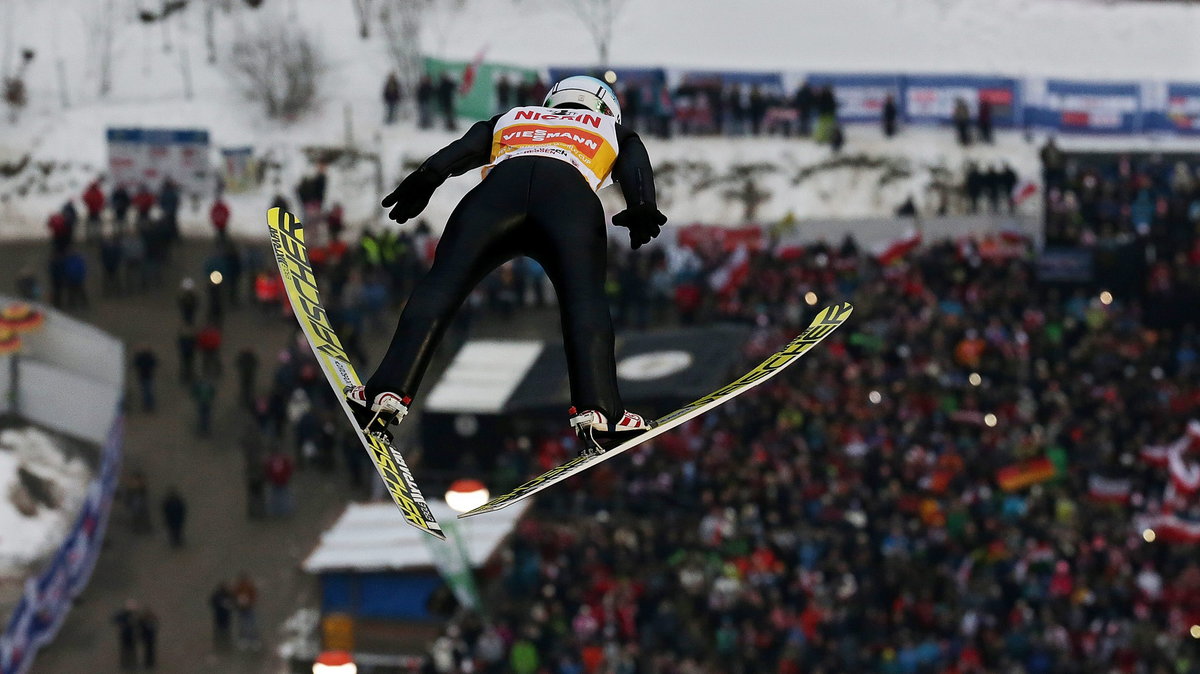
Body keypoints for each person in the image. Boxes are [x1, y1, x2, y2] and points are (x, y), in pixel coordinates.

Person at [346, 75, 665, 454]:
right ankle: (601, 416)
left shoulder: (514, 116)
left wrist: (426, 177)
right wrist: (643, 204)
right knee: (585, 302)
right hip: (568, 201)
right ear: (605, 108)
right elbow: (635, 167)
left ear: (552, 101)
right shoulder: (613, 129)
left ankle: (383, 396)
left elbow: (460, 151)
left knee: (441, 285)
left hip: (497, 195)